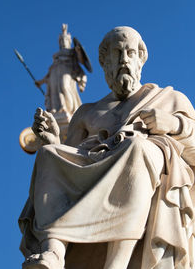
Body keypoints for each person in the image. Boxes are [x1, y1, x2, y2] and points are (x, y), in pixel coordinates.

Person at [19, 26, 195, 269]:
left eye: (130, 53)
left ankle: (116, 264)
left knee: (136, 148)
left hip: (139, 160)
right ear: (105, 62)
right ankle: (54, 252)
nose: (124, 60)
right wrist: (52, 141)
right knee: (48, 154)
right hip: (96, 167)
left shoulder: (169, 99)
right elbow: (70, 165)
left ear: (141, 59)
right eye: (117, 53)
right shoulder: (87, 112)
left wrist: (174, 124)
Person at [35, 24, 90, 119]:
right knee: (55, 89)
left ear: (68, 41)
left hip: (67, 71)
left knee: (65, 87)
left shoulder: (72, 52)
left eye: (65, 40)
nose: (63, 42)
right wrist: (41, 82)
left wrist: (79, 51)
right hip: (55, 72)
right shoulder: (56, 56)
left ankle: (70, 108)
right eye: (62, 41)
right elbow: (49, 72)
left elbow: (81, 60)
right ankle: (58, 109)